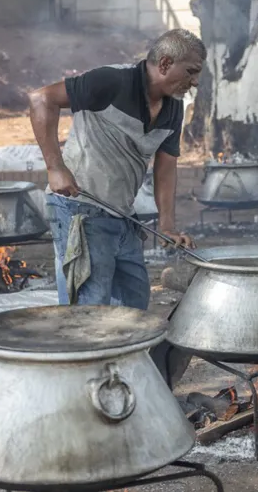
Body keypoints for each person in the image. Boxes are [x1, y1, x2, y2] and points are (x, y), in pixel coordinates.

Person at [29, 29, 206, 386]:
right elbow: (40, 100)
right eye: (192, 71)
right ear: (166, 63)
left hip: (123, 218)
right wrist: (55, 167)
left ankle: (123, 389)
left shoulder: (173, 109)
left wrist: (168, 224)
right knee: (90, 315)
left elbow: (166, 165)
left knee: (134, 307)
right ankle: (82, 392)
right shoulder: (112, 81)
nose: (195, 81)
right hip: (80, 210)